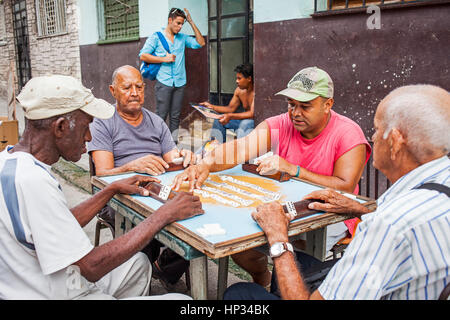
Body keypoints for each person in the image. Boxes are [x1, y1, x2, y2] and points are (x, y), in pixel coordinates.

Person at [224, 84, 450, 300]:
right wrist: (360, 210)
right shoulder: (439, 184)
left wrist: (279, 239)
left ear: (395, 141)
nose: (371, 137)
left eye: (377, 129)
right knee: (298, 263)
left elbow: (390, 226)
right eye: (292, 105)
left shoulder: (387, 226)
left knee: (239, 293)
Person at [0, 75, 204, 300]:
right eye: (86, 126)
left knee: (138, 263)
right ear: (59, 127)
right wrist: (163, 215)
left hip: (49, 279)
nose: (89, 136)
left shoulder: (10, 161)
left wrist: (111, 189)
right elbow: (91, 266)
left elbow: (60, 222)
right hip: (57, 291)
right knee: (184, 301)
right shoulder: (35, 181)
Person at [173, 66, 371, 288]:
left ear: (328, 104)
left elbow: (345, 186)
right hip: (283, 205)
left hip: (331, 215)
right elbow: (241, 149)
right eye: (291, 104)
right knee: (239, 244)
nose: (295, 113)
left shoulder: (348, 133)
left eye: (305, 106)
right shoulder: (280, 124)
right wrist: (206, 163)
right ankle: (262, 279)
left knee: (292, 256)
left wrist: (294, 169)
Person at [88, 65, 196, 290]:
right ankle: (141, 272)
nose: (134, 92)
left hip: (154, 190)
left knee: (193, 221)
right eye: (127, 87)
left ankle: (161, 268)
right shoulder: (102, 122)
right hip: (118, 196)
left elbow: (171, 159)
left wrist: (183, 157)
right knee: (146, 229)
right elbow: (102, 174)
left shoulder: (156, 121)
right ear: (113, 91)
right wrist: (131, 167)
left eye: (139, 86)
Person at [139, 7, 205, 141]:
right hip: (164, 82)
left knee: (175, 116)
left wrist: (191, 22)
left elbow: (201, 43)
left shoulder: (182, 38)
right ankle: (157, 143)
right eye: (178, 23)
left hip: (180, 82)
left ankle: (172, 145)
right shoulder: (156, 37)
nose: (180, 27)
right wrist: (164, 58)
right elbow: (143, 56)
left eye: (182, 24)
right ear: (170, 20)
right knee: (161, 116)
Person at [200, 63, 255, 143]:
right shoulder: (239, 91)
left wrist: (230, 116)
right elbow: (230, 108)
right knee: (219, 120)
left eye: (239, 78)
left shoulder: (256, 92)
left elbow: (252, 114)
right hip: (243, 121)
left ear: (249, 79)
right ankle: (216, 148)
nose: (237, 81)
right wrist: (211, 107)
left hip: (255, 123)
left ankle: (240, 152)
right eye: (237, 78)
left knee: (245, 123)